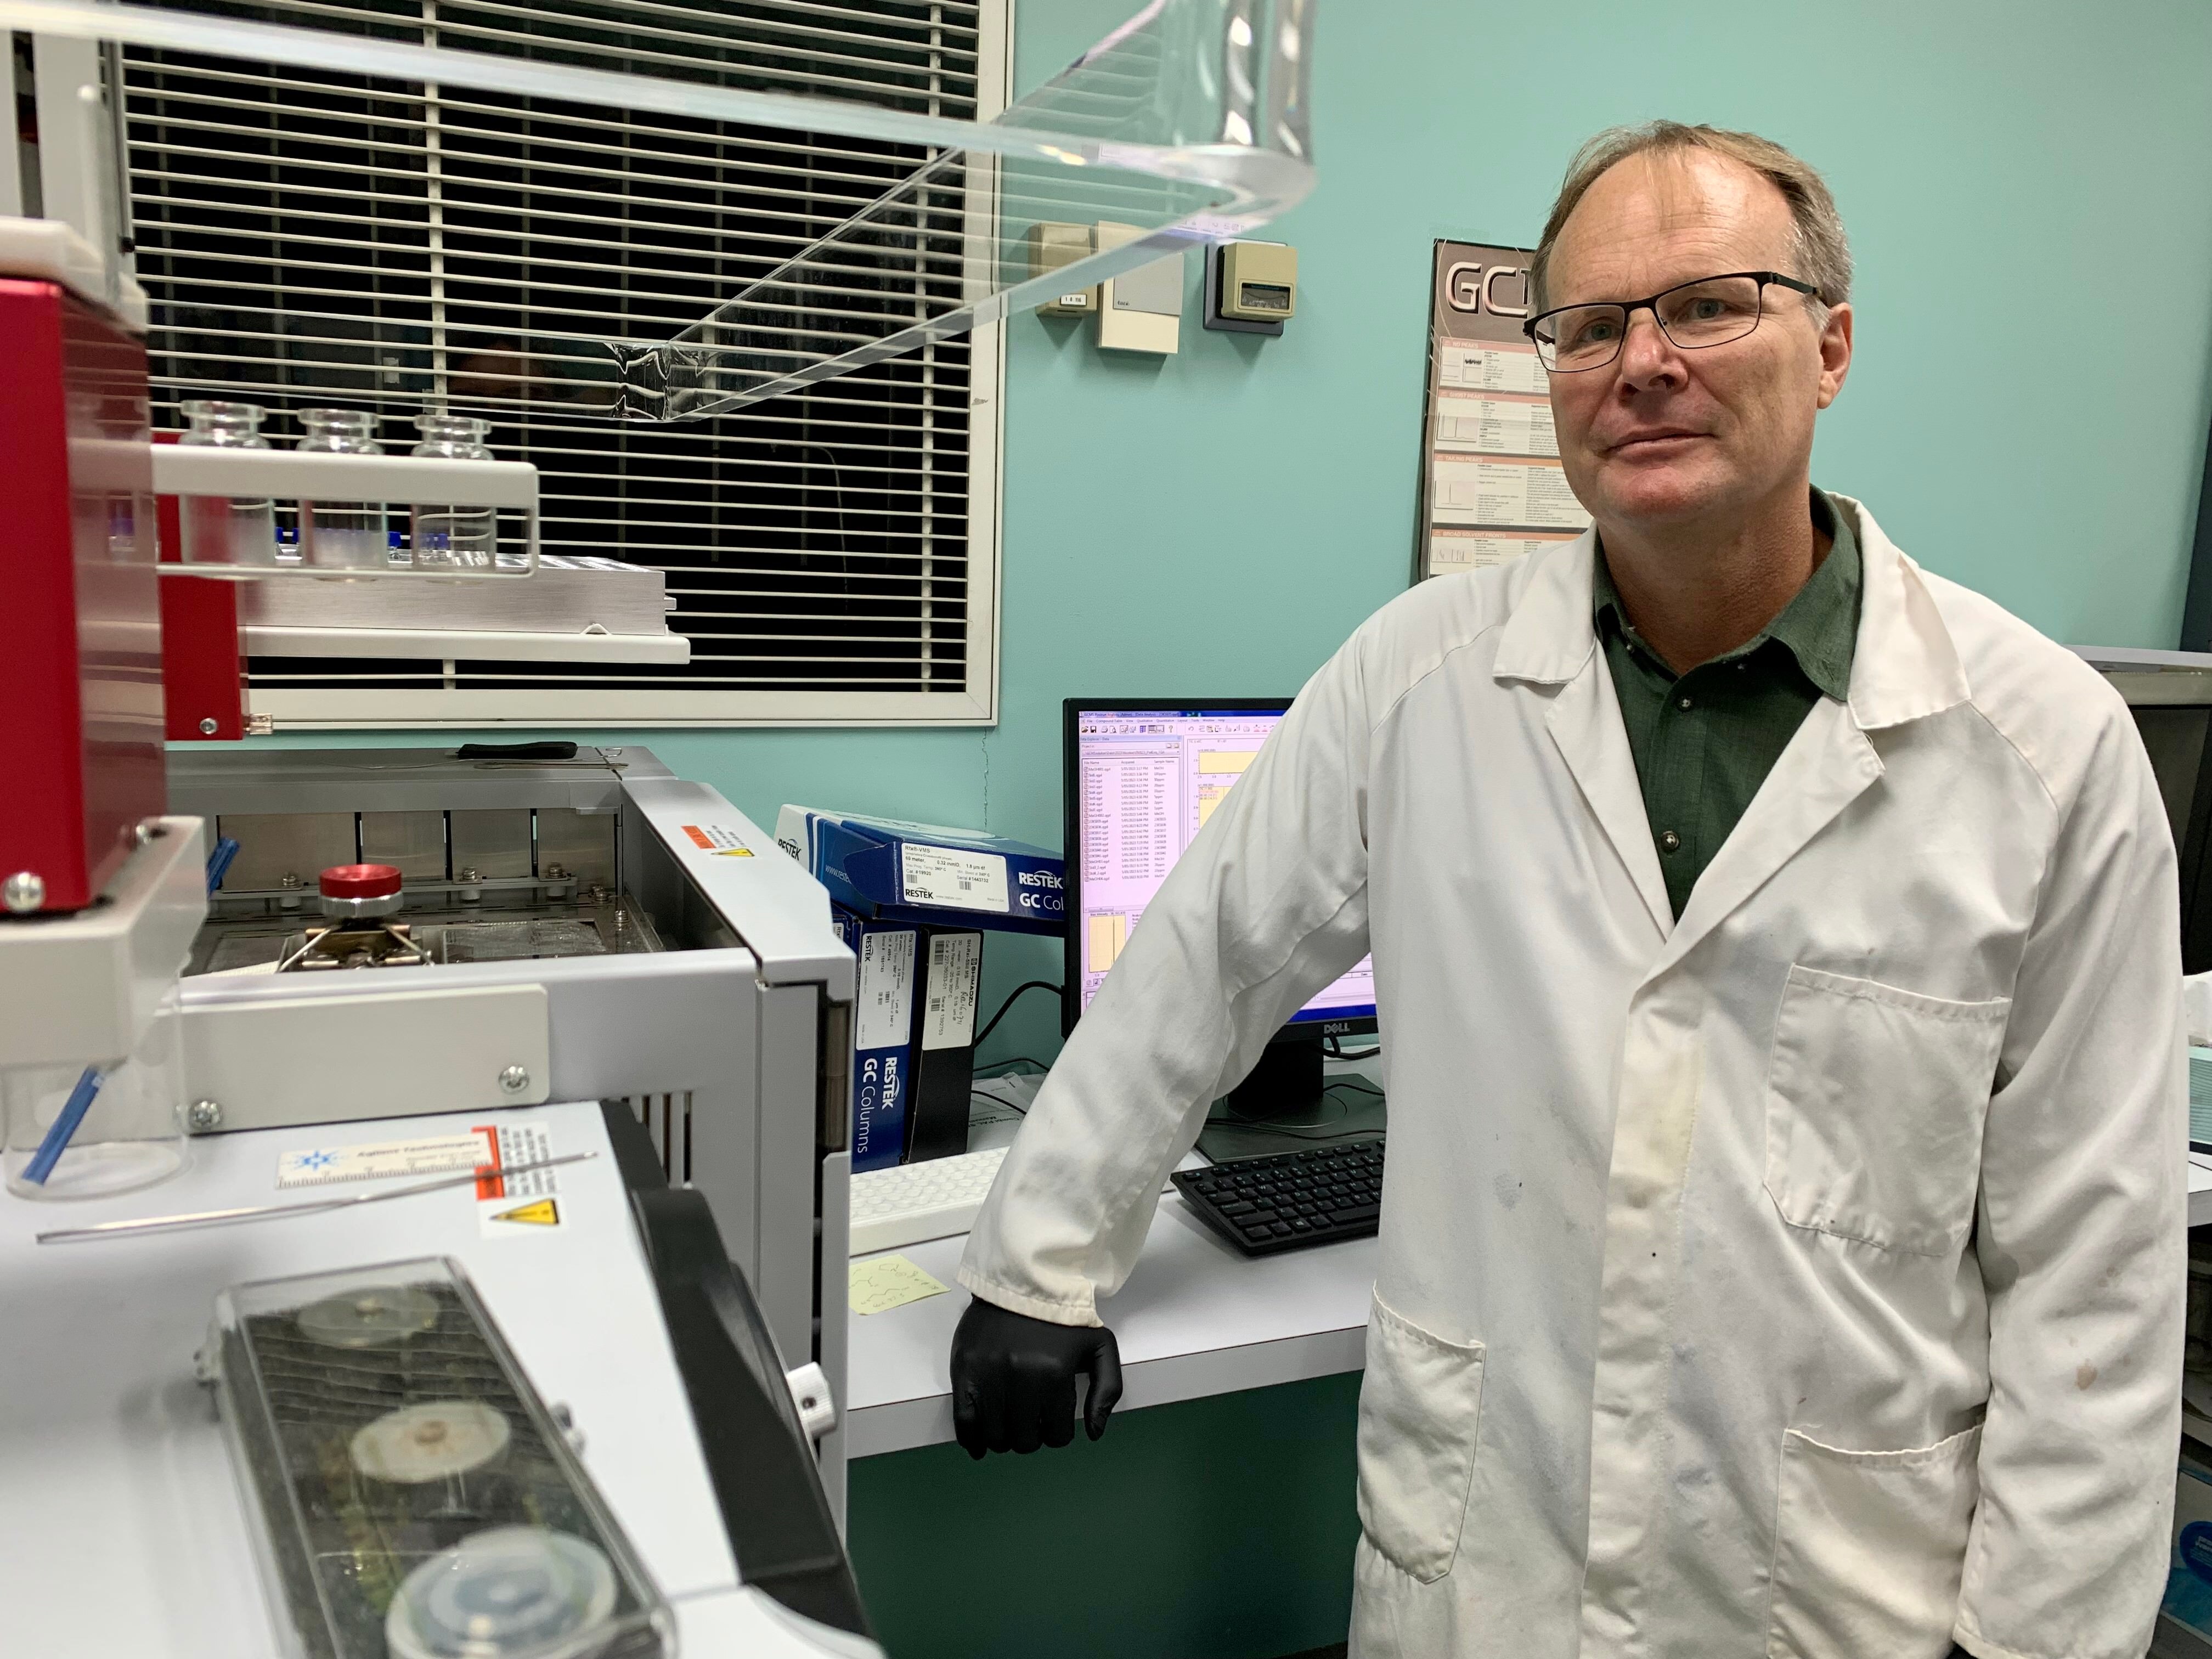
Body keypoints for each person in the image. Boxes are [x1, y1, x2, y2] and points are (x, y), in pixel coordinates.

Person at [950, 122, 2185, 1659]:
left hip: (1836, 1595)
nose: (1641, 362)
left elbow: (2098, 1276)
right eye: (1589, 325)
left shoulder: (2042, 751)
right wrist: (1041, 1262)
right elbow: (1203, 963)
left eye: (1709, 305)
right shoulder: (1419, 677)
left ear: (1834, 347)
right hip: (1489, 1565)